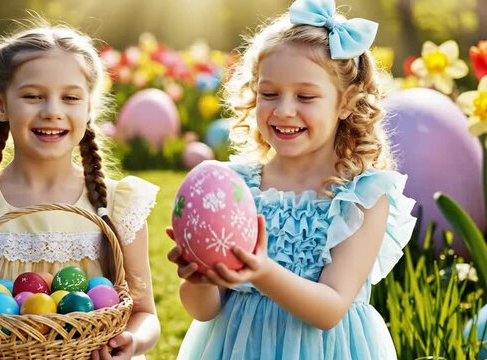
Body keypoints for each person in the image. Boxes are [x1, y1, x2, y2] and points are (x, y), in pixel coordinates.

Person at [167, 0, 417, 358]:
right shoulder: (236, 187)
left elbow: (330, 309)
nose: (284, 110)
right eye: (269, 94)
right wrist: (200, 277)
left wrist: (261, 272)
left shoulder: (360, 196)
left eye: (305, 96)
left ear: (345, 102)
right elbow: (204, 311)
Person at [0, 23, 160, 360]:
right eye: (32, 96)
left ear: (89, 107)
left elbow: (145, 313)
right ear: (0, 104)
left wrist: (133, 341)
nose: (52, 111)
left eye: (71, 97)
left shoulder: (118, 206)